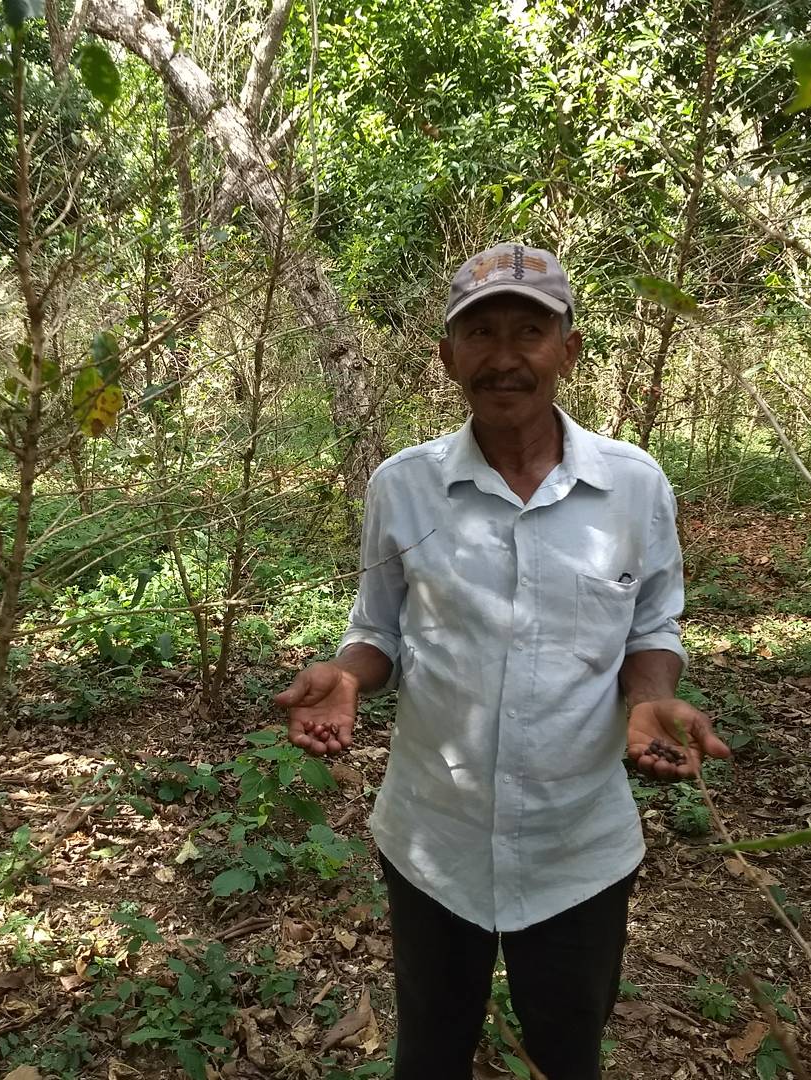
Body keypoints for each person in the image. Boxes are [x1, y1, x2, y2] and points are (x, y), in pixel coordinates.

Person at [275, 243, 730, 1080]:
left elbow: (652, 626)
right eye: (480, 333)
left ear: (569, 349)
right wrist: (346, 676)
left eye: (530, 330)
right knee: (430, 1052)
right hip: (433, 842)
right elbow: (377, 629)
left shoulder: (634, 486)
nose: (504, 356)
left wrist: (652, 698)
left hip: (577, 846)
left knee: (569, 1054)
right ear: (448, 356)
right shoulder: (402, 486)